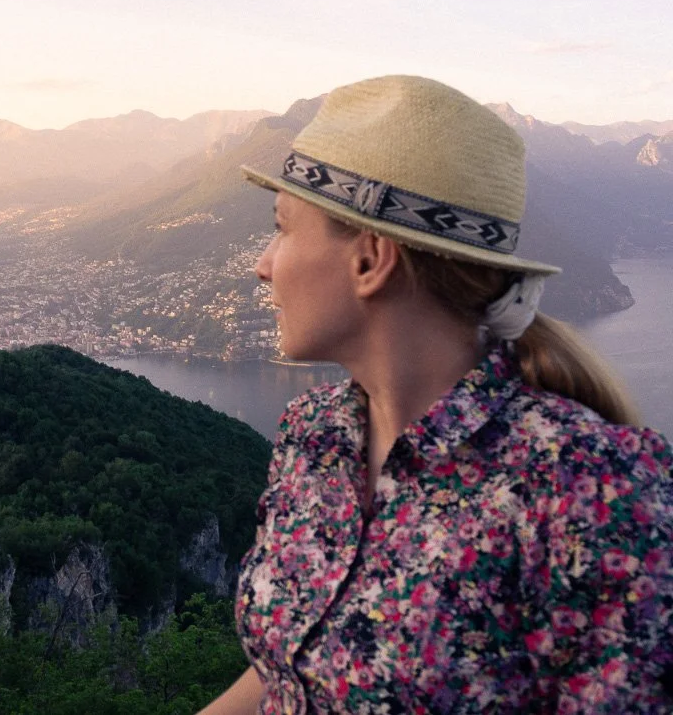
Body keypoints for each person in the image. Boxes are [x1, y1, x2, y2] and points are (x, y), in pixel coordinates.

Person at [200, 76, 673, 714]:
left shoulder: (591, 490)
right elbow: (286, 668)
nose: (263, 262)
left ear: (370, 260)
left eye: (282, 228)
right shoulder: (312, 436)